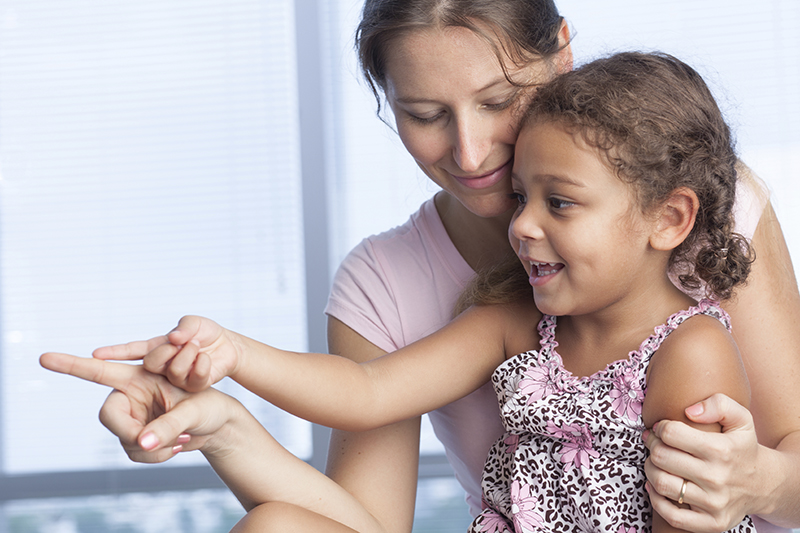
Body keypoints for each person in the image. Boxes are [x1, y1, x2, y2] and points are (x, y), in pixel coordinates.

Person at [43, 0, 800, 531]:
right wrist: (223, 395)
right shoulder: (498, 315)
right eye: (425, 114)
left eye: (499, 100)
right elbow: (367, 416)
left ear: (562, 55)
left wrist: (757, 478)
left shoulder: (696, 213)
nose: (470, 155)